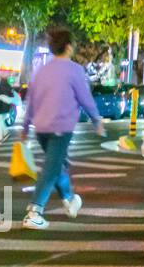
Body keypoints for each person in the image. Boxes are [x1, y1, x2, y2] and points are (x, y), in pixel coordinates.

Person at [20, 28, 104, 230]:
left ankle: (69, 199)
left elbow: (31, 101)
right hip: (60, 127)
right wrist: (96, 120)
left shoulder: (42, 71)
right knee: (51, 169)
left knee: (57, 165)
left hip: (41, 128)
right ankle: (35, 211)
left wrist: (25, 127)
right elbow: (85, 98)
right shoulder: (75, 70)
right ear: (68, 47)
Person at [0, 77, 17, 145]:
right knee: (0, 121)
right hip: (6, 108)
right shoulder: (9, 87)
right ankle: (6, 133)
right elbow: (11, 96)